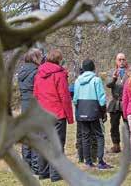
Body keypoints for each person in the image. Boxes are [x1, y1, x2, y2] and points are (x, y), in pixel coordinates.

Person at [33, 49, 74, 182]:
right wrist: (70, 116)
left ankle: (43, 172)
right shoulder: (59, 74)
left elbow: (36, 94)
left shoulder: (38, 73)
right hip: (57, 113)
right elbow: (64, 96)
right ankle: (56, 174)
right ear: (58, 59)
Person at [73, 59, 112, 170]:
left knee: (85, 136)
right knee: (99, 135)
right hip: (94, 110)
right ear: (93, 67)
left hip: (82, 110)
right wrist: (103, 112)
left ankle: (88, 162)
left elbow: (75, 99)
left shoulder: (77, 81)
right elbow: (101, 98)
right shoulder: (96, 80)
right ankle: (100, 161)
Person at [18, 48, 43, 175]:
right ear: (35, 58)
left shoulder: (21, 71)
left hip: (24, 106)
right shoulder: (37, 71)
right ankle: (36, 167)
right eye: (40, 56)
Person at [106, 53, 130, 153]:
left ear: (126, 60)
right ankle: (116, 145)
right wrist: (114, 78)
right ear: (116, 61)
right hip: (115, 102)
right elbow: (108, 84)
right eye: (119, 60)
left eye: (123, 59)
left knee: (128, 125)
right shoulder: (112, 71)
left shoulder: (130, 72)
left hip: (126, 102)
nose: (121, 62)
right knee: (114, 125)